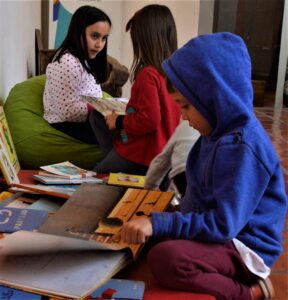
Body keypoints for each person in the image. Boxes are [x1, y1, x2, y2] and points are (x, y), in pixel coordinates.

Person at [117, 33, 288, 300]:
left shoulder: (243, 148)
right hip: (225, 234)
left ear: (216, 98)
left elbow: (223, 225)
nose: (183, 117)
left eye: (185, 106)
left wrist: (160, 223)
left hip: (246, 247)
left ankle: (249, 292)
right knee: (152, 239)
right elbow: (198, 200)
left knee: (166, 258)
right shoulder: (214, 134)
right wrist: (160, 217)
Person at [89, 4, 181, 175]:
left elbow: (149, 119)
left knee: (100, 173)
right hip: (165, 151)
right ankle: (114, 159)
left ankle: (115, 163)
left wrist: (119, 121)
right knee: (98, 116)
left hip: (145, 154)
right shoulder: (174, 72)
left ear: (144, 40)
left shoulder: (148, 75)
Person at [43, 5, 111, 144]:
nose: (99, 44)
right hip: (68, 124)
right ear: (78, 32)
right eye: (94, 36)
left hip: (88, 118)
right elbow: (68, 111)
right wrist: (100, 108)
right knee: (121, 136)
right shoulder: (66, 62)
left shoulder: (84, 59)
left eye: (104, 38)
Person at [144, 119, 200, 197]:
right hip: (202, 173)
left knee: (191, 202)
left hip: (182, 172)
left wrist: (149, 188)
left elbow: (161, 162)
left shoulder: (186, 125)